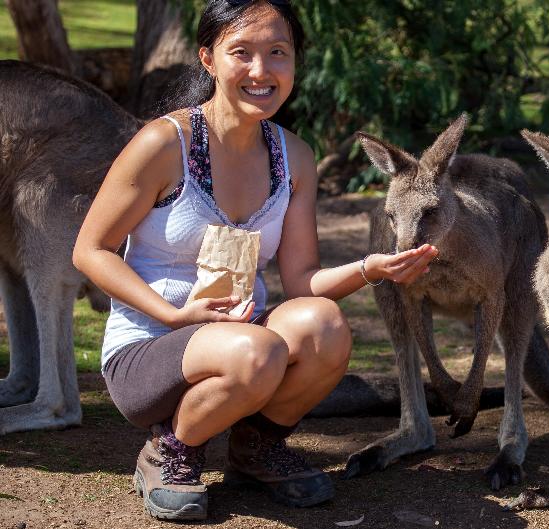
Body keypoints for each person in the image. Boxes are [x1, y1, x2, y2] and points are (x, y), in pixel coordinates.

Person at [73, 0, 438, 521]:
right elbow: (90, 250)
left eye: (277, 53)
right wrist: (174, 314)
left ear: (294, 63)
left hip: (244, 343)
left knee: (326, 327)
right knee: (259, 352)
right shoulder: (164, 143)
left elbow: (301, 281)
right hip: (149, 350)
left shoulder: (295, 157)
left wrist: (369, 268)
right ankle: (171, 450)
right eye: (240, 53)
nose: (261, 71)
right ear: (208, 59)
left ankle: (256, 448)